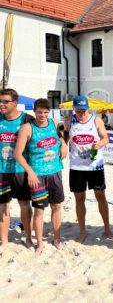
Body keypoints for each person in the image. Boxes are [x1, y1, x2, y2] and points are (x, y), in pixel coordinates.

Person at [14, 98, 68, 254]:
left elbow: (60, 135)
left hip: (55, 171)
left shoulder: (53, 122)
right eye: (39, 112)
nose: (42, 115)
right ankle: (40, 244)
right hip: (37, 175)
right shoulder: (27, 128)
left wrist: (63, 143)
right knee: (39, 210)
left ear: (49, 112)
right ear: (34, 112)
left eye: (45, 112)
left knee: (57, 206)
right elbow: (18, 154)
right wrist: (30, 172)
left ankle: (57, 239)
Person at [63, 95, 111, 243]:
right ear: (74, 109)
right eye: (78, 110)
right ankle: (82, 231)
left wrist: (97, 145)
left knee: (100, 196)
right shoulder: (69, 120)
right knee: (79, 198)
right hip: (77, 166)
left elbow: (105, 138)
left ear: (88, 108)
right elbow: (65, 135)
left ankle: (107, 228)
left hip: (95, 165)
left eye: (84, 110)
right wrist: (64, 145)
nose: (81, 113)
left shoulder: (96, 120)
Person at [0, 88, 34, 253]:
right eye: (0, 101)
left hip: (20, 169)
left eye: (5, 101)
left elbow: (46, 132)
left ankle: (28, 237)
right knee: (2, 207)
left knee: (24, 205)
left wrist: (63, 142)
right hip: (1, 169)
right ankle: (4, 241)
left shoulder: (27, 119)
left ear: (15, 102)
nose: (1, 104)